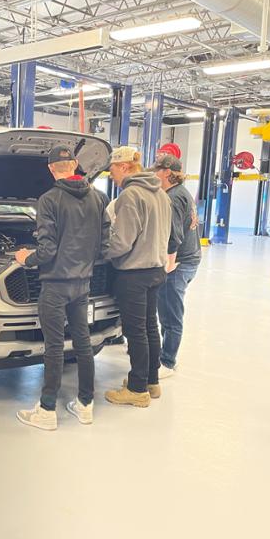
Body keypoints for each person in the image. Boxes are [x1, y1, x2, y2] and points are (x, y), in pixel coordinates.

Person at [14, 145, 110, 430]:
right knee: (83, 343)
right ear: (76, 166)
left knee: (54, 347)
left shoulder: (49, 200)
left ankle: (46, 410)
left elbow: (47, 250)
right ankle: (85, 405)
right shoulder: (99, 198)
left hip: (54, 285)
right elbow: (104, 246)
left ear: (50, 169)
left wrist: (25, 258)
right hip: (82, 285)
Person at [103, 146, 171, 408]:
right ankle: (152, 381)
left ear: (123, 167)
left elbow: (122, 242)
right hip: (156, 269)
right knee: (150, 327)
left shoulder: (131, 195)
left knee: (135, 331)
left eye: (112, 170)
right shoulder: (161, 194)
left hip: (134, 274)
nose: (111, 176)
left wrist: (103, 251)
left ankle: (136, 389)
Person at [151, 154, 202, 378]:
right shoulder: (183, 193)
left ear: (167, 173)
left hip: (179, 263)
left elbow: (174, 235)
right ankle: (166, 355)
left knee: (170, 314)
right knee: (168, 310)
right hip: (190, 258)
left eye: (157, 170)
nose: (154, 174)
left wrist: (169, 264)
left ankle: (167, 362)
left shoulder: (172, 197)